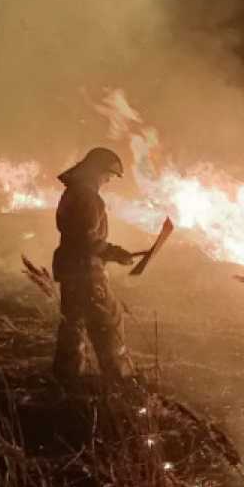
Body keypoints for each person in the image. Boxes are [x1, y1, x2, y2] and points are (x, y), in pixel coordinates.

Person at [52, 147, 143, 386]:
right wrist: (113, 252)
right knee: (108, 320)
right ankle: (120, 378)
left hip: (71, 269)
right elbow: (86, 239)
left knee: (74, 323)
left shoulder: (73, 193)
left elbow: (80, 237)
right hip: (86, 272)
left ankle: (67, 376)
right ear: (97, 171)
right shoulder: (88, 198)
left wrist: (111, 252)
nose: (109, 180)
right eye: (108, 175)